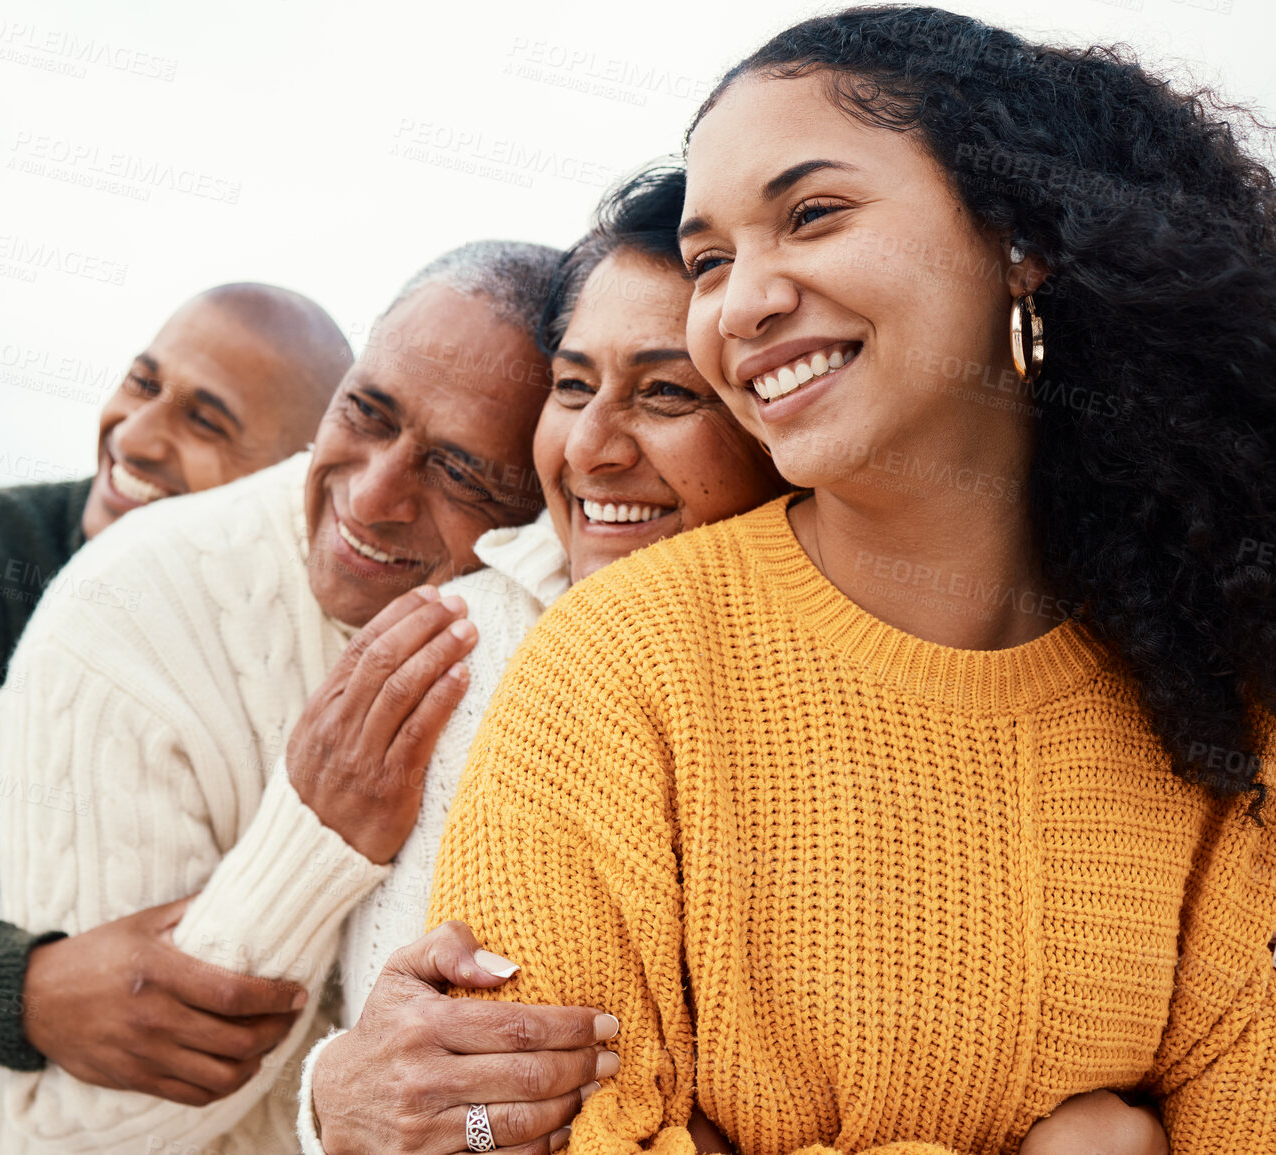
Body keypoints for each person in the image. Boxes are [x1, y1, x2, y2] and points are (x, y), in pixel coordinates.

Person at [427, 7, 1276, 1154]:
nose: (744, 302)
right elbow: (518, 1138)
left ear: (1020, 236)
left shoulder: (1219, 701)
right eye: (710, 261)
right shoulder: (614, 672)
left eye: (813, 214)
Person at [0, 241, 564, 1155]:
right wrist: (317, 829)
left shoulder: (549, 625)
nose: (371, 498)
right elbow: (66, 1132)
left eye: (459, 473)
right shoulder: (124, 618)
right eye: (363, 412)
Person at [0, 282, 354, 1155]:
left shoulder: (311, 637)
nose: (134, 433)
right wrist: (33, 991)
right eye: (141, 381)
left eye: (206, 421)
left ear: (292, 479)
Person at [297, 164, 787, 1154]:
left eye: (664, 393)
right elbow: (367, 1068)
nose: (593, 447)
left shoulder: (854, 676)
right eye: (572, 387)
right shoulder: (452, 646)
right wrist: (332, 1109)